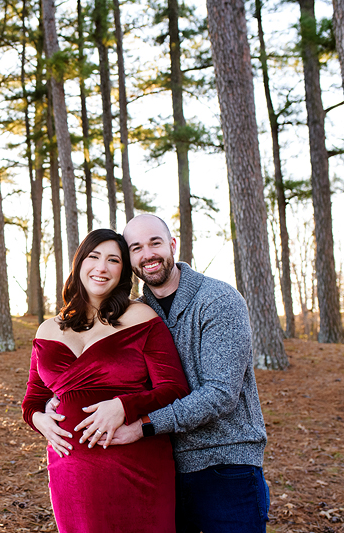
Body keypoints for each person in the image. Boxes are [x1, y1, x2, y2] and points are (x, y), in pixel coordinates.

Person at [48, 214, 270, 533]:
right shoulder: (134, 316)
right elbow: (106, 376)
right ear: (129, 260)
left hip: (223, 465)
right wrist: (52, 405)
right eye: (136, 248)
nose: (147, 254)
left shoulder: (217, 300)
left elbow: (221, 395)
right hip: (162, 470)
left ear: (172, 245)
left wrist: (144, 426)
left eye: (155, 243)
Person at [22, 228, 190, 533]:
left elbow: (174, 387)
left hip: (134, 465)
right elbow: (32, 399)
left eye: (113, 260)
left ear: (123, 271)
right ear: (79, 263)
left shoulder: (141, 317)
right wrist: (39, 420)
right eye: (94, 257)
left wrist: (124, 406)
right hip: (69, 472)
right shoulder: (47, 329)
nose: (101, 267)